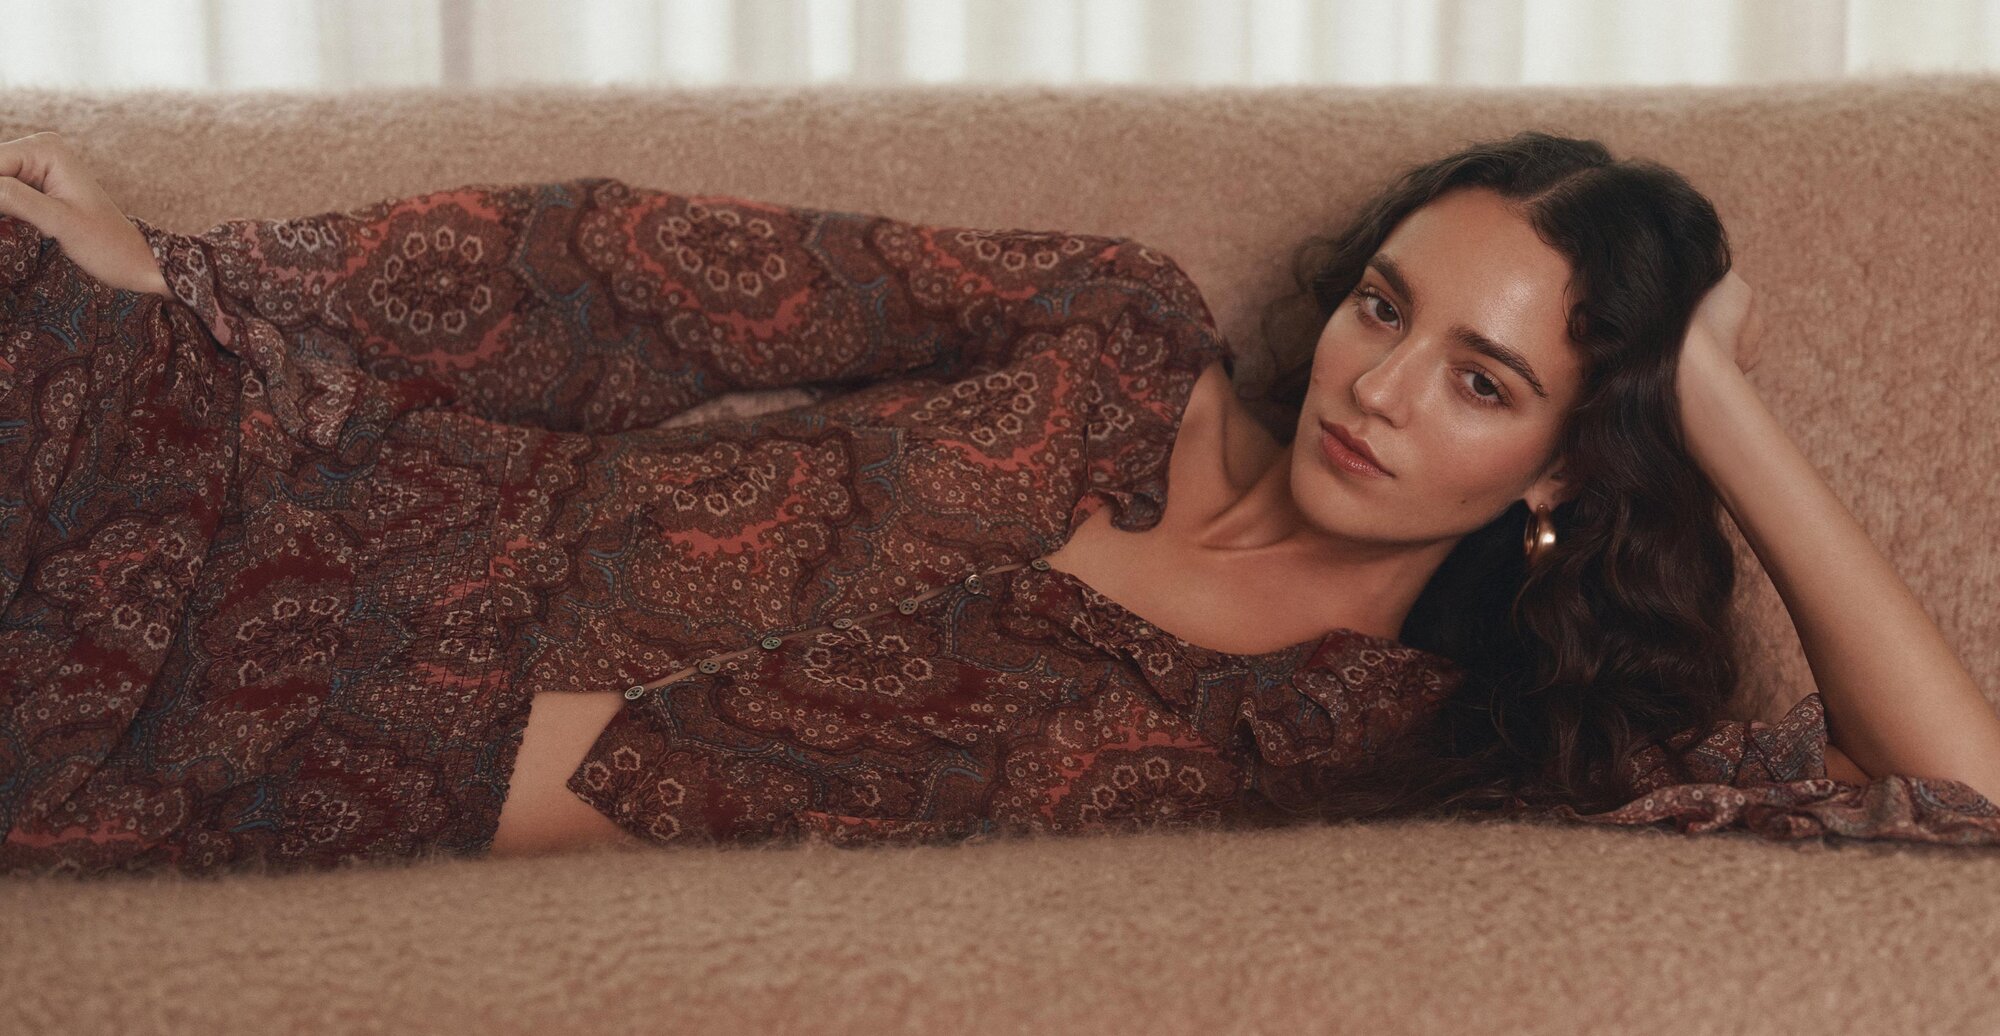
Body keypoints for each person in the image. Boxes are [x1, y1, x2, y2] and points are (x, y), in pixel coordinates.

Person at [2, 128, 1997, 880]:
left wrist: (1713, 397)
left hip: (249, 755)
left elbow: (1962, 805)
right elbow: (631, 262)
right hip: (247, 498)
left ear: (1566, 454)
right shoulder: (1113, 333)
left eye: (1481, 379)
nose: (1378, 389)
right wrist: (183, 289)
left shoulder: (1424, 727)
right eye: (1386, 305)